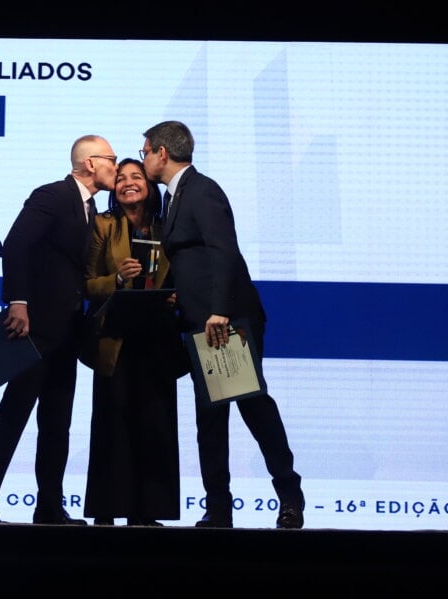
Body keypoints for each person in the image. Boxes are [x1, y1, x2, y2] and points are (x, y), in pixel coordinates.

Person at [141, 120, 304, 528]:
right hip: (201, 321)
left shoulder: (202, 189)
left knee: (252, 407)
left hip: (224, 321)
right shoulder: (173, 199)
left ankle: (289, 494)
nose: (143, 158)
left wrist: (219, 310)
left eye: (145, 151)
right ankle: (218, 507)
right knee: (209, 417)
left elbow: (224, 251)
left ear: (163, 152)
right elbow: (192, 259)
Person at [0, 135, 118, 525]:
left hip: (68, 332)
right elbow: (16, 244)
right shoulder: (52, 195)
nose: (116, 168)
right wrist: (17, 301)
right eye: (112, 160)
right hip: (35, 329)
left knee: (57, 421)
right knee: (14, 413)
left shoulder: (94, 210)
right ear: (90, 162)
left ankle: (49, 504)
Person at [81, 158, 186, 526]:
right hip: (116, 340)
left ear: (148, 185)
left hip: (157, 339)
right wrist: (118, 279)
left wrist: (177, 298)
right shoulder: (103, 226)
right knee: (113, 426)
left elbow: (184, 277)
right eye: (121, 177)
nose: (127, 182)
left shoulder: (168, 227)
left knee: (156, 426)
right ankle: (107, 511)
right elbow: (87, 284)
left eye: (136, 176)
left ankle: (148, 512)